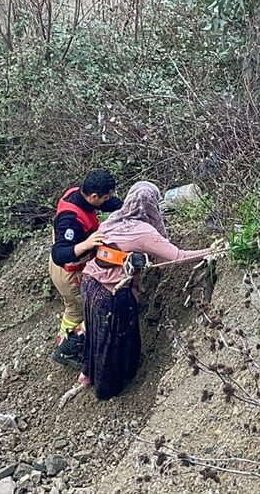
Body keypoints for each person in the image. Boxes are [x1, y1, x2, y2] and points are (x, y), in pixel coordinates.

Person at [79, 181, 226, 400]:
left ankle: (87, 374)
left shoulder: (113, 220)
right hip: (112, 293)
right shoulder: (144, 232)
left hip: (89, 282)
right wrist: (211, 251)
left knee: (95, 332)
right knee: (113, 342)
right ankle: (108, 388)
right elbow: (176, 257)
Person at [49, 169, 123, 368]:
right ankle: (68, 350)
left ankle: (64, 341)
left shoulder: (79, 194)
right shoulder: (70, 219)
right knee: (92, 309)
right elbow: (59, 254)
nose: (108, 200)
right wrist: (87, 244)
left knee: (73, 309)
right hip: (69, 272)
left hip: (69, 269)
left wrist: (126, 207)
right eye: (105, 196)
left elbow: (106, 204)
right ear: (93, 196)